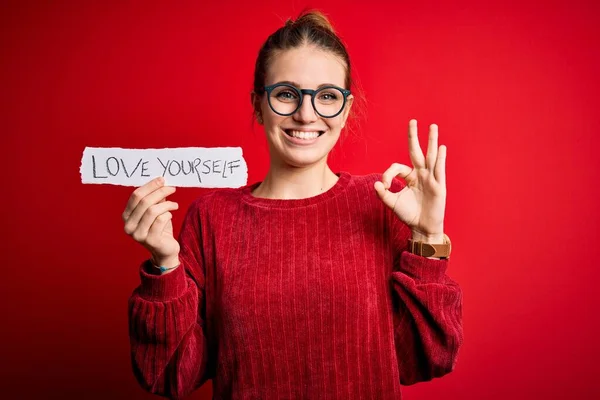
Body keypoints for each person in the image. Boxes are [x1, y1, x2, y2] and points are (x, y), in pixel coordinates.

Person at [123, 10, 463, 400]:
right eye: (286, 93)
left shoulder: (385, 203)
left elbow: (427, 358)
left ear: (346, 110)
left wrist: (428, 236)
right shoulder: (210, 217)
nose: (306, 114)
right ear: (258, 103)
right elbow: (170, 375)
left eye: (327, 97)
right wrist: (165, 265)